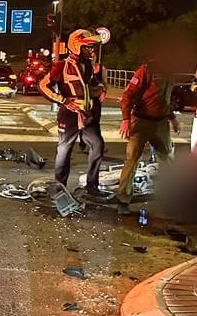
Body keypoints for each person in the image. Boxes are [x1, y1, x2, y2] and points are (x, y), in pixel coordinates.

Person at [38, 28, 110, 198]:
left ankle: (92, 186)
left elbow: (91, 84)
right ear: (77, 46)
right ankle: (60, 188)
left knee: (97, 145)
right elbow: (43, 85)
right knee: (64, 150)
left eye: (92, 47)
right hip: (69, 115)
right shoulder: (61, 65)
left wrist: (99, 88)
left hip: (87, 114)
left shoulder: (88, 65)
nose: (91, 50)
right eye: (88, 47)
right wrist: (63, 100)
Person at [115, 49, 179, 213]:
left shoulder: (170, 73)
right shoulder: (145, 71)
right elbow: (128, 95)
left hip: (161, 123)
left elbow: (164, 99)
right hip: (141, 121)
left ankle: (170, 196)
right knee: (132, 159)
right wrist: (125, 120)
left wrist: (172, 118)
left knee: (167, 159)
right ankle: (123, 199)